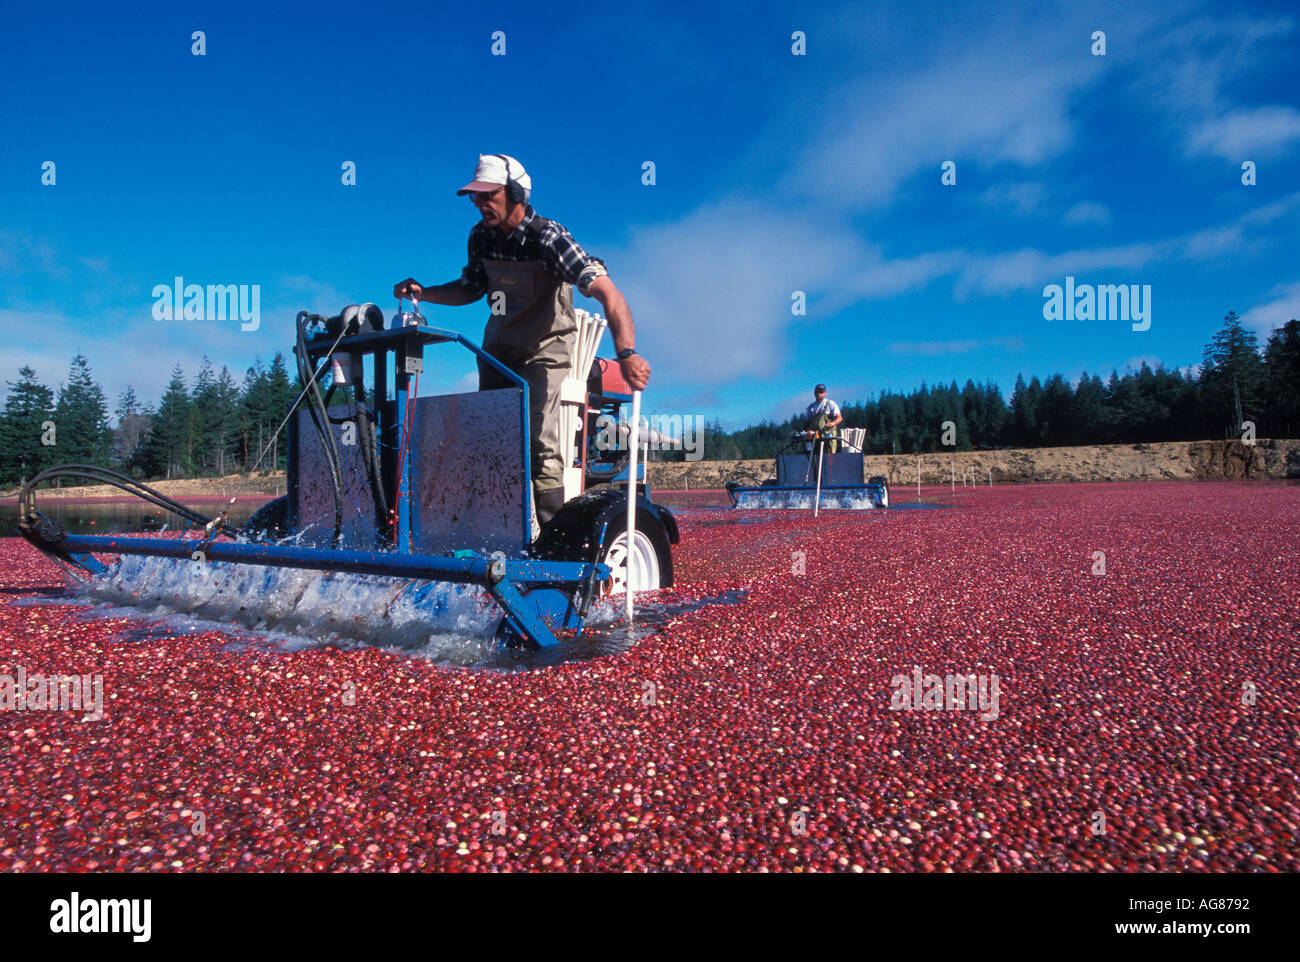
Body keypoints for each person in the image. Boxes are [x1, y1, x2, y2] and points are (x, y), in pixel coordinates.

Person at [394, 154, 650, 525]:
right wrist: (425, 292)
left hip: (545, 349)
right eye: (475, 197)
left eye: (488, 195)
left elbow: (610, 294)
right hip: (499, 348)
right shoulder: (480, 237)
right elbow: (471, 288)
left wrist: (626, 352)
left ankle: (553, 540)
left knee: (541, 443)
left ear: (515, 192)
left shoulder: (549, 238)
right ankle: (496, 532)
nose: (480, 204)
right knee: (491, 440)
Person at [803, 384, 842, 454]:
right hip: (815, 437)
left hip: (828, 436)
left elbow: (839, 418)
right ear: (814, 393)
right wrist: (803, 432)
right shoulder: (811, 407)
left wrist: (832, 423)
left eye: (821, 392)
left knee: (829, 455)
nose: (819, 394)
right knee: (814, 456)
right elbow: (807, 422)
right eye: (817, 392)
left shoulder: (830, 403)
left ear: (825, 393)